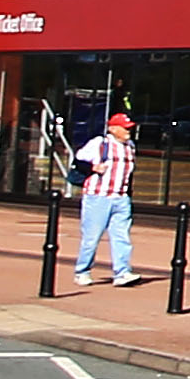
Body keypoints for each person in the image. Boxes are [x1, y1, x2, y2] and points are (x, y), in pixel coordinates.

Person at [72, 109, 141, 285]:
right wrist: (93, 168)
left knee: (121, 236)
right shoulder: (100, 144)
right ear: (112, 129)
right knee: (92, 237)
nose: (128, 131)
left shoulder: (130, 146)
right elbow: (78, 162)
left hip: (121, 197)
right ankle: (82, 270)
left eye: (129, 128)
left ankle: (122, 272)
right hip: (98, 197)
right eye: (124, 128)